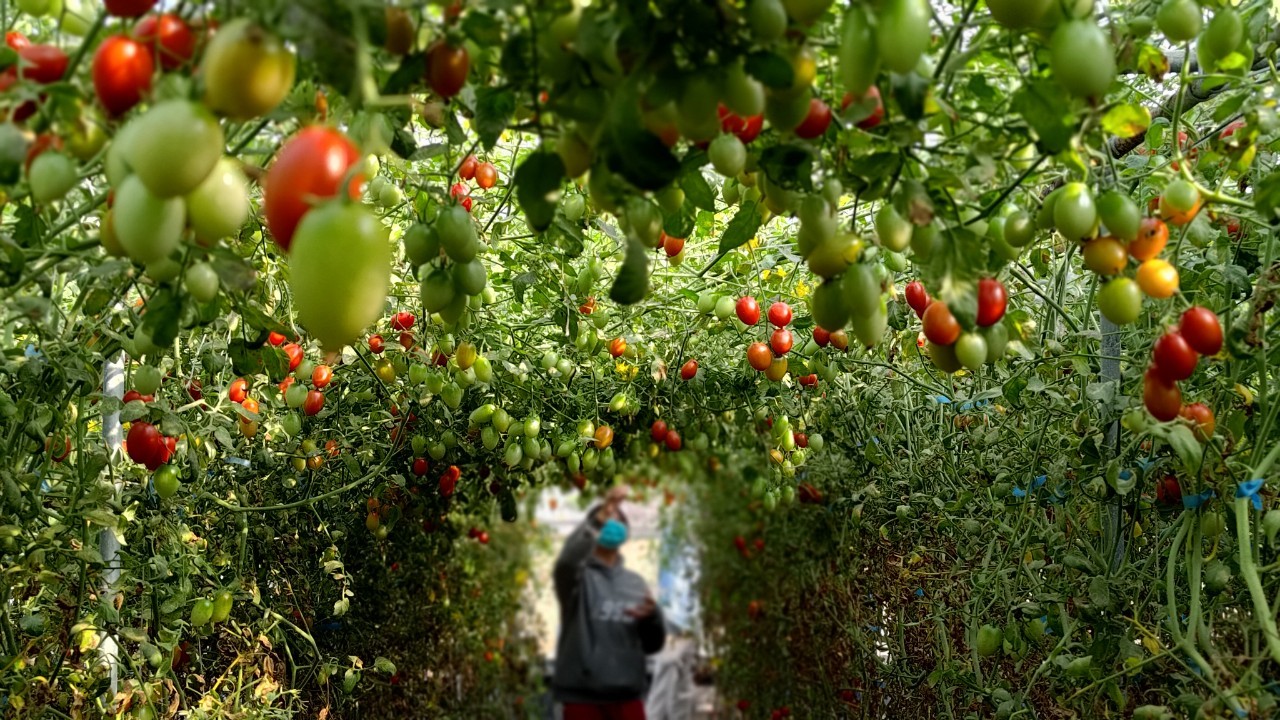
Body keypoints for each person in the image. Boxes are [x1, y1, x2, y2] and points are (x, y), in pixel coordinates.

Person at [553, 485, 666, 720]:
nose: (612, 523)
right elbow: (566, 563)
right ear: (595, 529)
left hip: (627, 697)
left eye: (618, 520)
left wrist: (653, 617)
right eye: (607, 519)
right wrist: (600, 517)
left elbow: (653, 644)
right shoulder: (576, 578)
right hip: (583, 699)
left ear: (626, 531)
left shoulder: (635, 584)